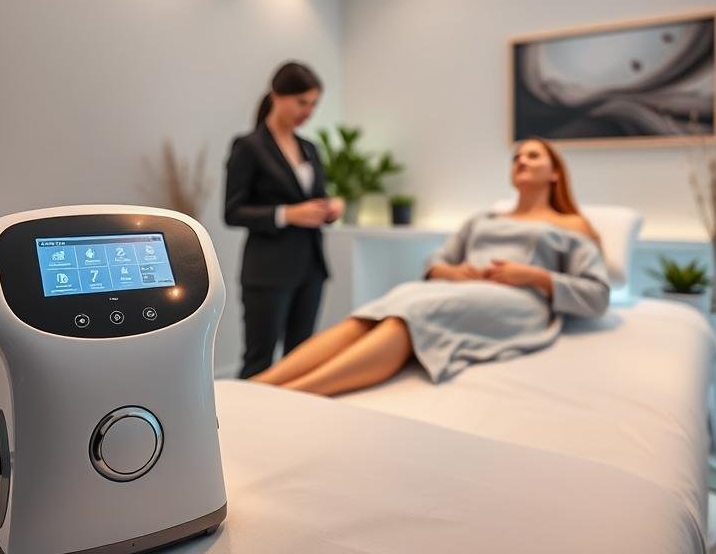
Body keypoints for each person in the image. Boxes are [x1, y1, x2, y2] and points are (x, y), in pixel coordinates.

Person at [252, 137, 609, 396]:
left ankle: (295, 393)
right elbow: (436, 262)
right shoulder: (482, 219)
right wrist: (453, 272)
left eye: (533, 155)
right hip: (460, 288)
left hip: (519, 300)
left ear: (555, 174)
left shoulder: (572, 225)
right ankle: (256, 386)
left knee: (417, 309)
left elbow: (597, 295)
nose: (522, 160)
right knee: (386, 306)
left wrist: (535, 276)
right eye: (517, 156)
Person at [224, 62, 343, 379]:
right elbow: (232, 211)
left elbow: (315, 198)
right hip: (268, 272)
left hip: (311, 268)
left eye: (314, 104)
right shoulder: (249, 147)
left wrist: (330, 207)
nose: (309, 111)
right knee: (259, 360)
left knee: (301, 360)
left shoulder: (310, 148)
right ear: (277, 95)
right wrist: (287, 214)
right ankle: (250, 424)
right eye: (302, 102)